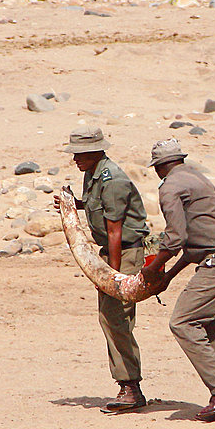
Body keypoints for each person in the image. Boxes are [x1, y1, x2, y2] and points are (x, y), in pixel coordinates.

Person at [140, 138, 215, 422]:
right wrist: (169, 276)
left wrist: (154, 268)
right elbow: (194, 244)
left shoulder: (169, 187)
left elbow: (175, 238)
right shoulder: (196, 177)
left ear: (158, 167)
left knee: (183, 321)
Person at [62, 126, 150, 414]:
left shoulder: (112, 180)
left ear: (95, 151)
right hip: (113, 252)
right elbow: (95, 208)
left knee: (116, 317)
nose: (75, 159)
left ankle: (130, 387)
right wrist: (73, 205)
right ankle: (128, 385)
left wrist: (112, 276)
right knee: (110, 317)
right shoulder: (94, 174)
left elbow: (115, 230)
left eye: (80, 154)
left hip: (123, 253)